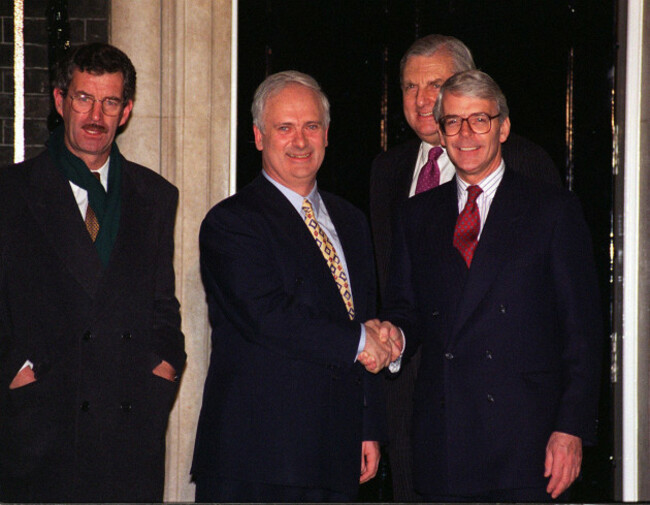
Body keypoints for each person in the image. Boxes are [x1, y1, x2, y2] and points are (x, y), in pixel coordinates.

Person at [382, 69, 602, 501]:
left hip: (527, 444)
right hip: (444, 440)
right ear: (441, 134)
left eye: (479, 119)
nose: (466, 133)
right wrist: (392, 339)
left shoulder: (552, 210)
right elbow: (405, 309)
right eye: (453, 122)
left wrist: (571, 427)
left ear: (503, 127)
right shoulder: (416, 216)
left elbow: (582, 331)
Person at [191, 70, 402, 502]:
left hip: (336, 451)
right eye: (284, 128)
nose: (300, 141)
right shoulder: (231, 222)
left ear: (326, 135)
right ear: (258, 137)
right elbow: (267, 316)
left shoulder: (351, 221)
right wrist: (363, 338)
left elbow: (360, 312)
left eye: (311, 127)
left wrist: (368, 428)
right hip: (260, 459)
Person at [0, 43, 185, 502]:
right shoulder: (11, 192)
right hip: (41, 426)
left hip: (129, 434)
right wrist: (14, 372)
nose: (95, 115)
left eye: (110, 102)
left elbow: (164, 305)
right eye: (84, 98)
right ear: (60, 101)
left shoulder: (156, 195)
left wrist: (163, 368)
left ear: (126, 112)